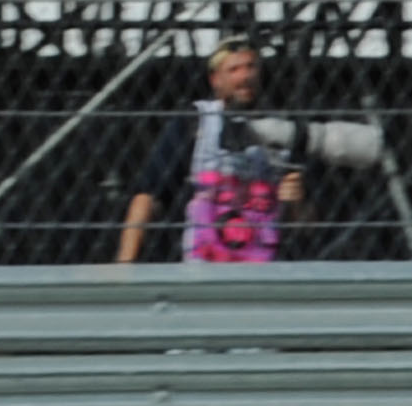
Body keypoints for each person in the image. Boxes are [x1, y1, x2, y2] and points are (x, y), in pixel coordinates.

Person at [115, 42, 308, 263]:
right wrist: (125, 263)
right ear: (215, 80)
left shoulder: (283, 128)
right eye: (234, 70)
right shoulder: (195, 122)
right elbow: (147, 196)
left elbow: (308, 223)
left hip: (263, 268)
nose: (245, 76)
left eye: (250, 67)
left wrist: (297, 203)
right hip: (201, 264)